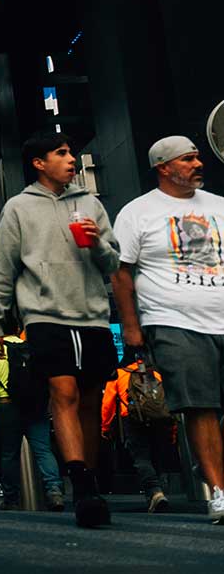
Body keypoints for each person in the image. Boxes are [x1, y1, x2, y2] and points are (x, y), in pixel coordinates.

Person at [0, 130, 120, 528]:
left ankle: (90, 480)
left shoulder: (90, 203)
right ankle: (80, 482)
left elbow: (113, 264)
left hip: (92, 314)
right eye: (60, 153)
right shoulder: (19, 208)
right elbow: (2, 266)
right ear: (39, 163)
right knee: (64, 391)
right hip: (43, 316)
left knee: (92, 399)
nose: (70, 159)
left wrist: (97, 245)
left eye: (71, 153)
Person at [112, 135, 224, 525]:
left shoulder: (219, 207)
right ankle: (219, 492)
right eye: (188, 159)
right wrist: (131, 326)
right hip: (174, 319)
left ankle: (208, 465)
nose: (198, 164)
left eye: (198, 157)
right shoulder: (137, 212)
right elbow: (121, 272)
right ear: (164, 167)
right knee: (200, 405)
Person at [0, 334, 64, 511]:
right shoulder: (31, 346)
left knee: (9, 453)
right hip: (35, 404)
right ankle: (54, 490)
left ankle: (11, 498)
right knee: (43, 450)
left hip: (7, 405)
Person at [101, 352, 174, 514]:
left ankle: (155, 492)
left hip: (132, 419)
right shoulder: (156, 374)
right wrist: (173, 430)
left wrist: (105, 428)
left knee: (141, 457)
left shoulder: (120, 374)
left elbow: (108, 404)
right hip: (158, 420)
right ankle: (160, 489)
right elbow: (167, 402)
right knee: (156, 454)